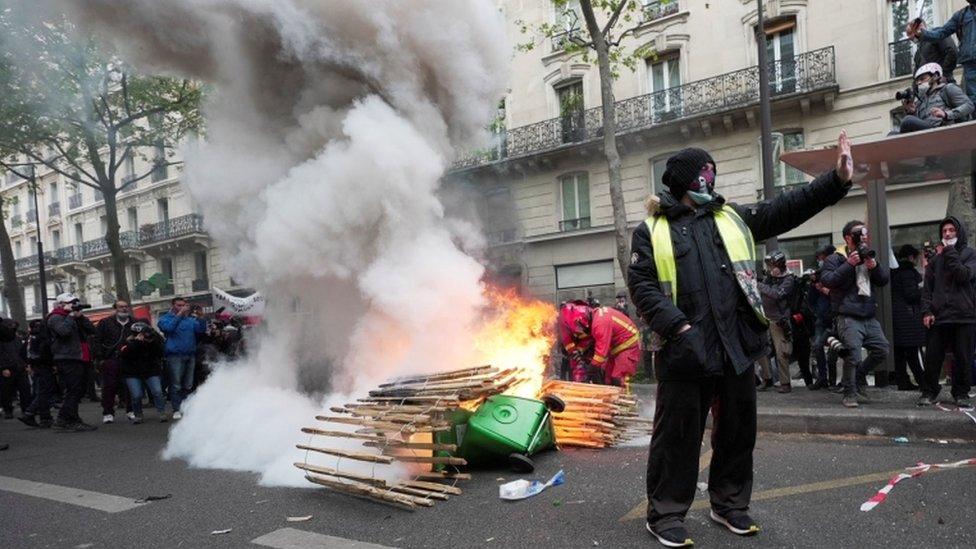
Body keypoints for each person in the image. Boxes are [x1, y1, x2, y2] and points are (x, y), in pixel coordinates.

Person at [628, 131, 854, 547]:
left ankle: (728, 503)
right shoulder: (651, 232)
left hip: (736, 347)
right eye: (701, 175)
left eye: (710, 174)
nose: (708, 182)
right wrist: (678, 327)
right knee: (677, 436)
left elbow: (785, 209)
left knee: (737, 432)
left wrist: (834, 181)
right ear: (681, 182)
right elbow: (642, 287)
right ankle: (664, 514)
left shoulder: (731, 218)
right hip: (686, 350)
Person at [819, 221, 890, 408]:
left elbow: (883, 280)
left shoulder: (868, 253)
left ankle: (858, 378)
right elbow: (827, 280)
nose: (864, 235)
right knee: (853, 355)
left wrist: (873, 265)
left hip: (868, 314)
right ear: (848, 237)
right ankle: (849, 393)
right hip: (847, 315)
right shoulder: (835, 258)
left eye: (865, 232)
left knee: (882, 349)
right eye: (859, 233)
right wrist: (849, 264)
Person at [918, 217, 976, 407]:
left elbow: (963, 275)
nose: (948, 234)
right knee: (933, 356)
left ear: (958, 233)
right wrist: (926, 311)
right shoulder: (935, 260)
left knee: (963, 357)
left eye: (951, 230)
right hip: (939, 315)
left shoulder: (969, 255)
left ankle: (961, 393)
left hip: (963, 315)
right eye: (944, 231)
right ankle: (929, 391)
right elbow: (928, 288)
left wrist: (949, 252)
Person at [46, 293, 98, 431]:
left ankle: (69, 418)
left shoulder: (75, 317)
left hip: (81, 357)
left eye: (75, 302)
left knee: (79, 390)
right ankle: (66, 419)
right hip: (66, 358)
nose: (74, 305)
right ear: (61, 304)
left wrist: (81, 317)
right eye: (71, 303)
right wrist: (70, 317)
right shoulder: (55, 317)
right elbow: (64, 332)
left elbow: (92, 330)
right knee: (73, 390)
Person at [559, 300, 641, 386]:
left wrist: (590, 371)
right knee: (608, 378)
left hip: (628, 346)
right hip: (616, 348)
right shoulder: (595, 317)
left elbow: (600, 355)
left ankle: (625, 398)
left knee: (618, 377)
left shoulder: (599, 324)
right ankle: (610, 398)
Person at [909, 2, 976, 104]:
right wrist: (922, 33)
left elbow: (951, 50)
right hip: (970, 63)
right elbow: (942, 33)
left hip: (967, 63)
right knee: (973, 98)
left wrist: (943, 73)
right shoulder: (962, 15)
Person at [157, 297, 206, 419]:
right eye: (179, 305)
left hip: (190, 354)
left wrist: (201, 317)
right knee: (176, 385)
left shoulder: (190, 320)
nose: (182, 307)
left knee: (188, 385)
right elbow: (168, 329)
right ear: (173, 306)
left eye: (184, 305)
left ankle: (186, 408)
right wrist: (179, 315)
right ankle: (177, 409)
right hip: (174, 356)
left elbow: (201, 330)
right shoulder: (165, 319)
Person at [757, 251, 796, 393]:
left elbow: (776, 295)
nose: (769, 268)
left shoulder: (788, 279)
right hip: (765, 318)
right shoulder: (770, 278)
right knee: (761, 350)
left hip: (779, 321)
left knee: (782, 353)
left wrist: (760, 285)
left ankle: (785, 383)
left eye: (771, 265)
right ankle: (767, 379)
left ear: (779, 264)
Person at [896, 63, 973, 134]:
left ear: (935, 76)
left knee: (908, 120)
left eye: (922, 79)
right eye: (917, 81)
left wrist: (946, 114)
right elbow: (919, 124)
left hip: (944, 131)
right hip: (927, 134)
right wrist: (911, 112)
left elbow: (969, 106)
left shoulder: (947, 89)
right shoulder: (921, 100)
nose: (919, 83)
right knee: (892, 134)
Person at [891, 244, 926, 391]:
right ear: (911, 257)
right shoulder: (908, 272)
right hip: (909, 318)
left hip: (899, 319)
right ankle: (925, 383)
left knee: (901, 354)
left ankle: (903, 382)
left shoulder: (896, 272)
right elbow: (911, 295)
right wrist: (924, 290)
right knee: (914, 352)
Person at [94, 300, 135, 423]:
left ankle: (131, 410)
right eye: (121, 307)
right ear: (115, 309)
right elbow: (97, 341)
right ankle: (108, 412)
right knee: (109, 387)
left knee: (129, 386)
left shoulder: (134, 323)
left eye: (126, 306)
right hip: (110, 359)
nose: (124, 309)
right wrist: (100, 358)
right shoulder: (105, 323)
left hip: (128, 359)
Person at [119, 321, 167, 423]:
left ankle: (162, 412)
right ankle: (138, 414)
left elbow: (160, 352)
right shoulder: (127, 342)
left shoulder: (153, 340)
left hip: (150, 370)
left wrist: (152, 342)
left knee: (158, 392)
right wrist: (137, 343)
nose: (145, 335)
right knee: (136, 395)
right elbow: (124, 354)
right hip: (132, 372)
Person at [808, 245, 837, 390]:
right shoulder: (819, 275)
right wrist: (814, 285)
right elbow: (811, 300)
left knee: (835, 352)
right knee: (817, 346)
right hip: (821, 317)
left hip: (835, 317)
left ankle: (834, 381)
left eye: (822, 257)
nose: (820, 261)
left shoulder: (837, 271)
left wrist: (825, 290)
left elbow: (838, 295)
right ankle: (823, 378)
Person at [18, 319, 55, 428]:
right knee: (44, 392)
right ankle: (30, 412)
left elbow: (22, 352)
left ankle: (45, 417)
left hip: (36, 367)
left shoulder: (30, 338)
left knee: (40, 391)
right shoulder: (42, 337)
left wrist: (29, 363)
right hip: (44, 367)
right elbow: (46, 353)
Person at [0, 320, 31, 419]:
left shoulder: (16, 338)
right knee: (7, 390)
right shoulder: (7, 339)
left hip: (19, 365)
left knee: (24, 389)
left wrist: (26, 364)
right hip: (9, 366)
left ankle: (25, 408)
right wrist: (3, 367)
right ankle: (8, 409)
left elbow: (22, 352)